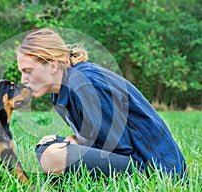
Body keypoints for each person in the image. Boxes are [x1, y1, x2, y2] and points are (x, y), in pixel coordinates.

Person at [16, 28, 186, 179]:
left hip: (154, 167)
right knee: (44, 147)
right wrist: (71, 141)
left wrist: (73, 143)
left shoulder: (86, 85)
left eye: (28, 71)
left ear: (52, 65)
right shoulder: (62, 89)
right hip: (128, 156)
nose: (24, 80)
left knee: (53, 156)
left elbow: (119, 147)